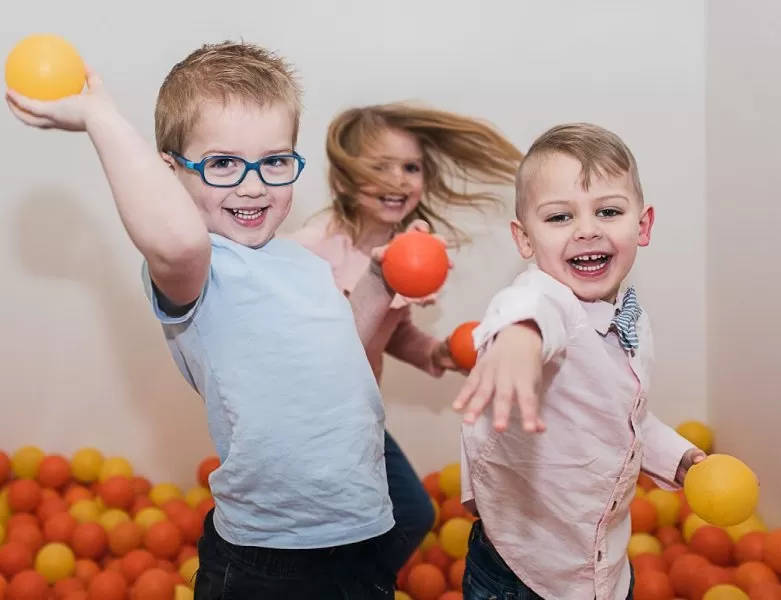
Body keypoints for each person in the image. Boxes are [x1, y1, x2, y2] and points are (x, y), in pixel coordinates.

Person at [6, 42, 441, 599]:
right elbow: (176, 242)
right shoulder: (203, 269)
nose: (253, 184)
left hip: (358, 536)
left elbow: (340, 357)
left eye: (275, 161)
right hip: (269, 556)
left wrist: (380, 280)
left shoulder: (303, 264)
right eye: (222, 164)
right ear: (171, 174)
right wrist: (101, 117)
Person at [452, 123, 705, 600]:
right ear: (525, 239)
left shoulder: (631, 319)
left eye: (608, 211)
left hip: (604, 564)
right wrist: (520, 337)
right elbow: (530, 306)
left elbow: (624, 419)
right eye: (559, 217)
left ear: (643, 225)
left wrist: (680, 459)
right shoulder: (543, 299)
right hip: (522, 570)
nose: (587, 230)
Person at [288, 102, 522, 569]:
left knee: (413, 514)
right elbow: (307, 352)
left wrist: (436, 352)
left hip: (357, 418)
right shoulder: (312, 251)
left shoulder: (406, 250)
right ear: (344, 180)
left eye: (411, 167)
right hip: (306, 426)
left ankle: (353, 585)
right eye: (380, 167)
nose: (399, 180)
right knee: (324, 534)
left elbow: (392, 331)